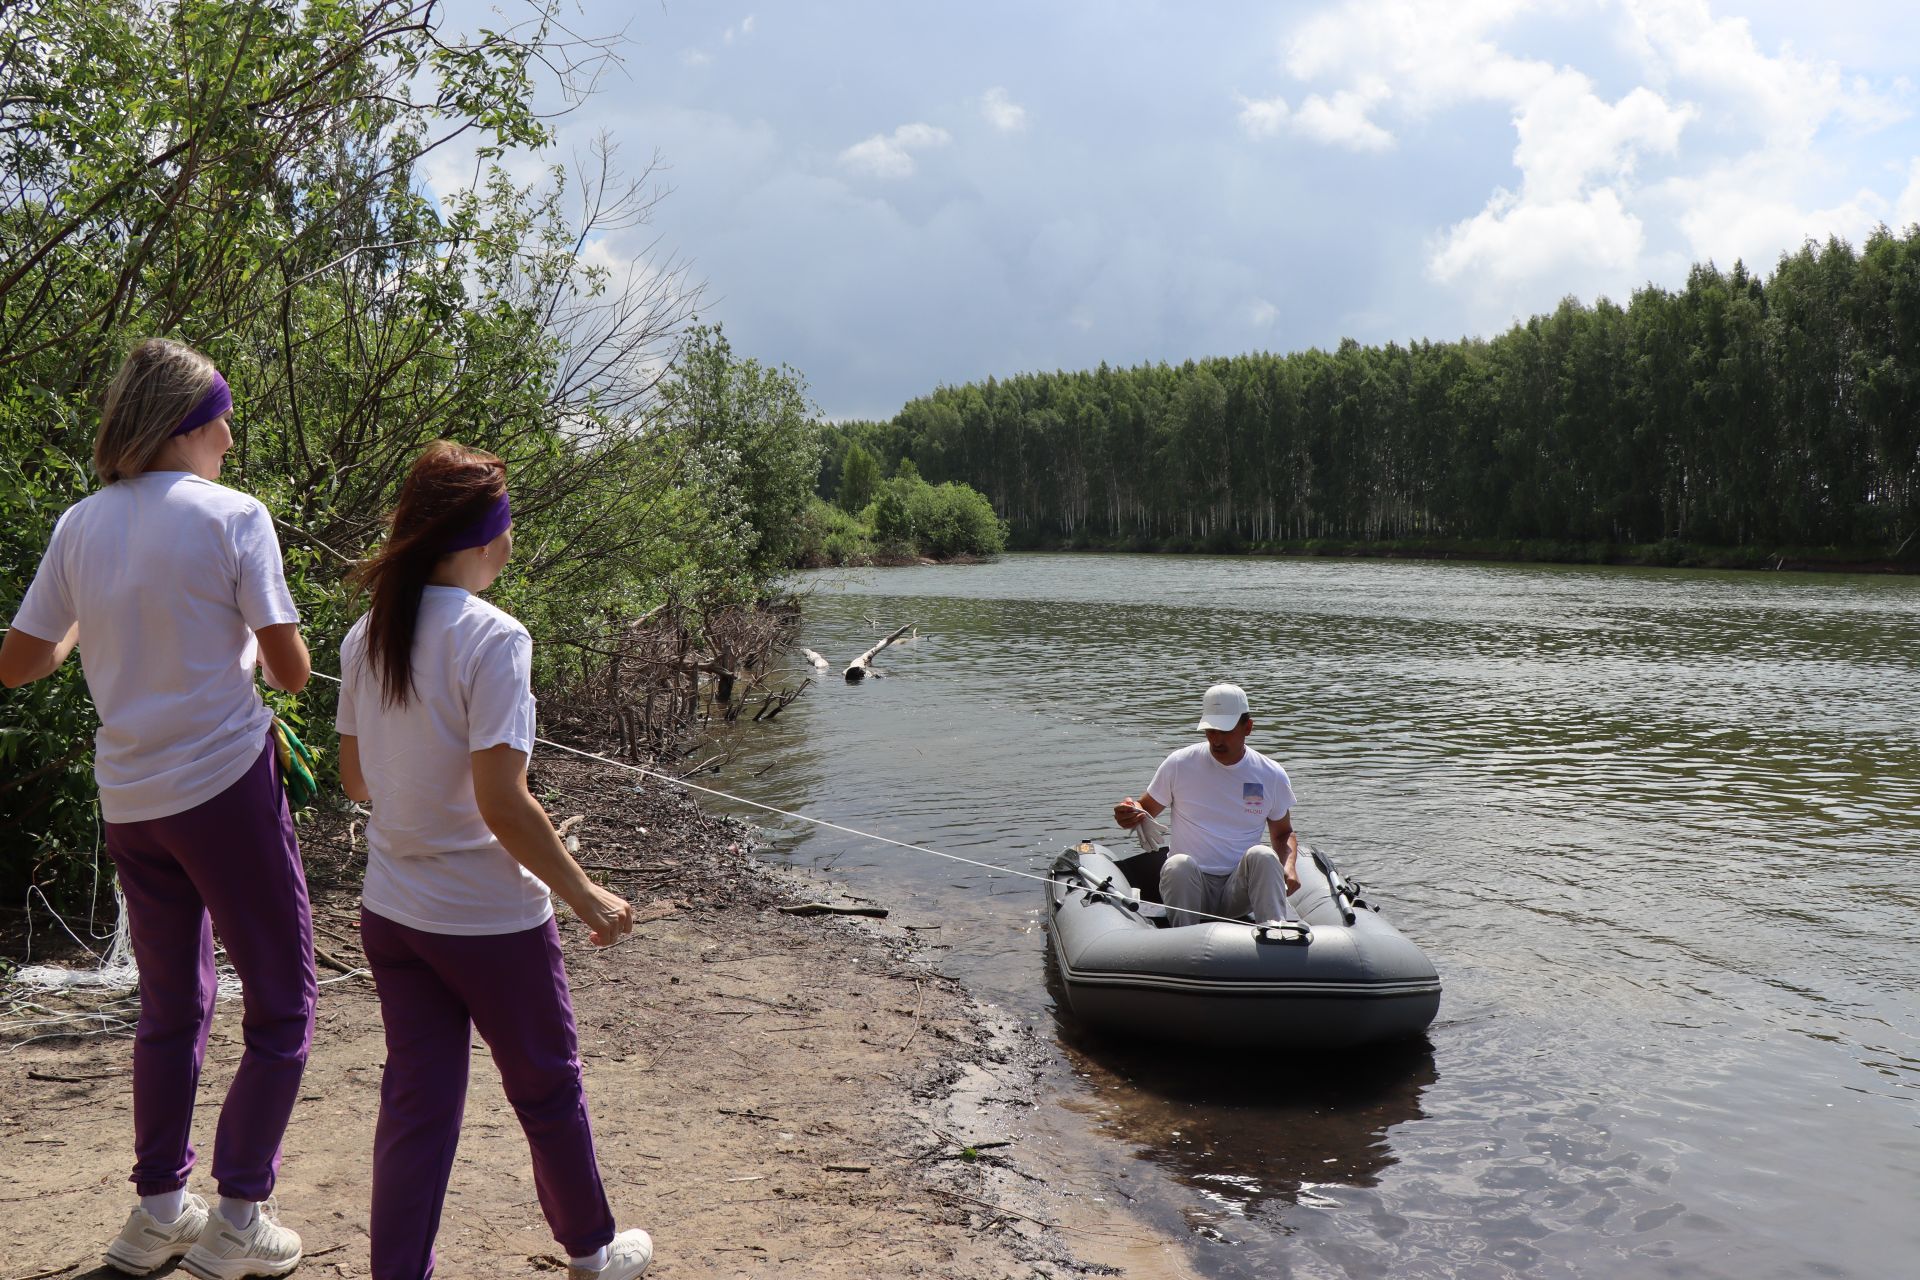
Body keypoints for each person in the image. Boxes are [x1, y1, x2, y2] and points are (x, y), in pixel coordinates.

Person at [1, 338, 316, 1278]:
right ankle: (238, 1220)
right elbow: (292, 669)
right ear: (191, 422)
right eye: (222, 415)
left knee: (172, 1005)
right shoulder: (237, 517)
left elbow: (17, 662)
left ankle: (158, 1214)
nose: (230, 433)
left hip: (131, 801)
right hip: (224, 786)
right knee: (285, 1002)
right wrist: (249, 658)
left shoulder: (79, 525)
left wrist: (94, 628)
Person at [334, 441, 651, 1280]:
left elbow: (358, 781)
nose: (513, 542)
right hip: (488, 919)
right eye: (509, 526)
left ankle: (399, 1270)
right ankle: (591, 1253)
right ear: (483, 539)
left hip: (393, 912)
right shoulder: (496, 638)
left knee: (417, 1100)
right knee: (547, 1088)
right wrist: (586, 896)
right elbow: (501, 802)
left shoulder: (367, 634)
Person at [1112, 683, 1301, 927]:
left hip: (1238, 890)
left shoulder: (1270, 774)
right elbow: (1144, 809)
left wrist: (1290, 866)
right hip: (1190, 887)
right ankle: (1183, 943)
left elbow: (1283, 833)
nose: (1217, 740)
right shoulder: (1180, 763)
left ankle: (1276, 935)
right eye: (1211, 731)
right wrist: (1129, 811)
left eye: (1226, 731)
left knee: (1263, 855)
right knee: (1178, 863)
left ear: (1248, 727)